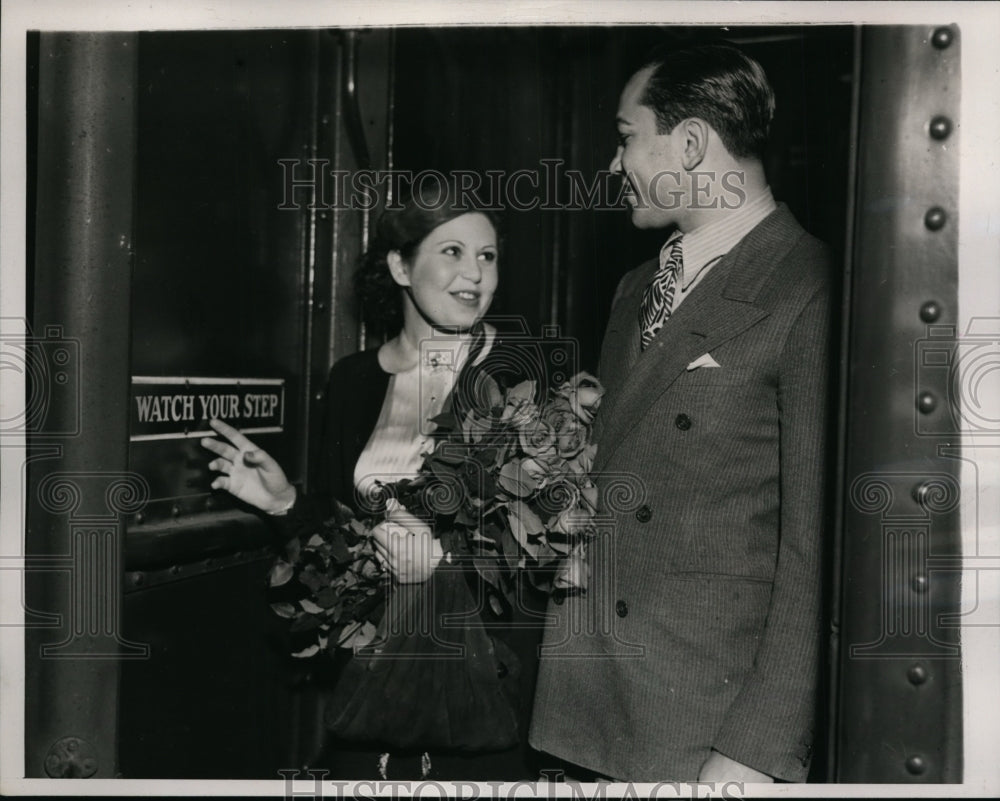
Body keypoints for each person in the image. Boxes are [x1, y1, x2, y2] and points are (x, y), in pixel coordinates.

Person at [529, 43, 832, 783]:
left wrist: (756, 748)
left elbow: (812, 551)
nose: (613, 164)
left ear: (691, 142)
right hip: (586, 707)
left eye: (627, 136)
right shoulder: (638, 284)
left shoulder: (811, 286)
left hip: (701, 731)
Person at [202, 185, 544, 780]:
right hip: (377, 678)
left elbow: (546, 545)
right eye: (453, 252)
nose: (475, 275)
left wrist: (441, 565)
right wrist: (283, 501)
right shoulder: (354, 378)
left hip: (482, 677)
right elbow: (344, 541)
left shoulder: (519, 373)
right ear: (400, 265)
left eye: (488, 257)